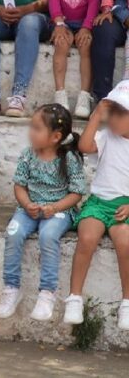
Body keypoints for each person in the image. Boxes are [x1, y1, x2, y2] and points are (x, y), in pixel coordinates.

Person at [0, 104, 85, 321]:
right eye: (31, 127)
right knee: (14, 232)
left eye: (37, 129)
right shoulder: (28, 155)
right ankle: (11, 288)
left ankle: (47, 293)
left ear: (55, 136)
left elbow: (77, 193)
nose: (31, 133)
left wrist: (55, 207)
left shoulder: (69, 159)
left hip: (60, 210)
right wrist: (27, 205)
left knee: (48, 235)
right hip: (30, 209)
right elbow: (19, 186)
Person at [65, 80, 129, 330]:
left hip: (124, 206)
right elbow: (83, 146)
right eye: (111, 113)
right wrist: (95, 117)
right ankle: (74, 297)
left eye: (120, 114)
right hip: (97, 202)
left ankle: (127, 302)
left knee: (125, 242)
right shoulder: (105, 137)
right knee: (87, 238)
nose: (112, 120)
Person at [49, 0, 100, 118]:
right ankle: (60, 94)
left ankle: (84, 95)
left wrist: (87, 27)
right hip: (64, 21)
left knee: (86, 46)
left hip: (84, 21)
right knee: (62, 44)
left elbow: (94, 2)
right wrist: (59, 24)